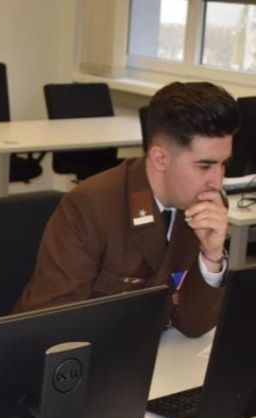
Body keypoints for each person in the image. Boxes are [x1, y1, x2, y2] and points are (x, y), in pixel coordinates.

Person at [15, 82, 240, 337]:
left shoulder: (205, 205)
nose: (217, 181)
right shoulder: (91, 205)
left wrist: (212, 257)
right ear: (160, 158)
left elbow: (192, 326)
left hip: (150, 348)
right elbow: (52, 322)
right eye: (205, 166)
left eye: (224, 164)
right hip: (87, 350)